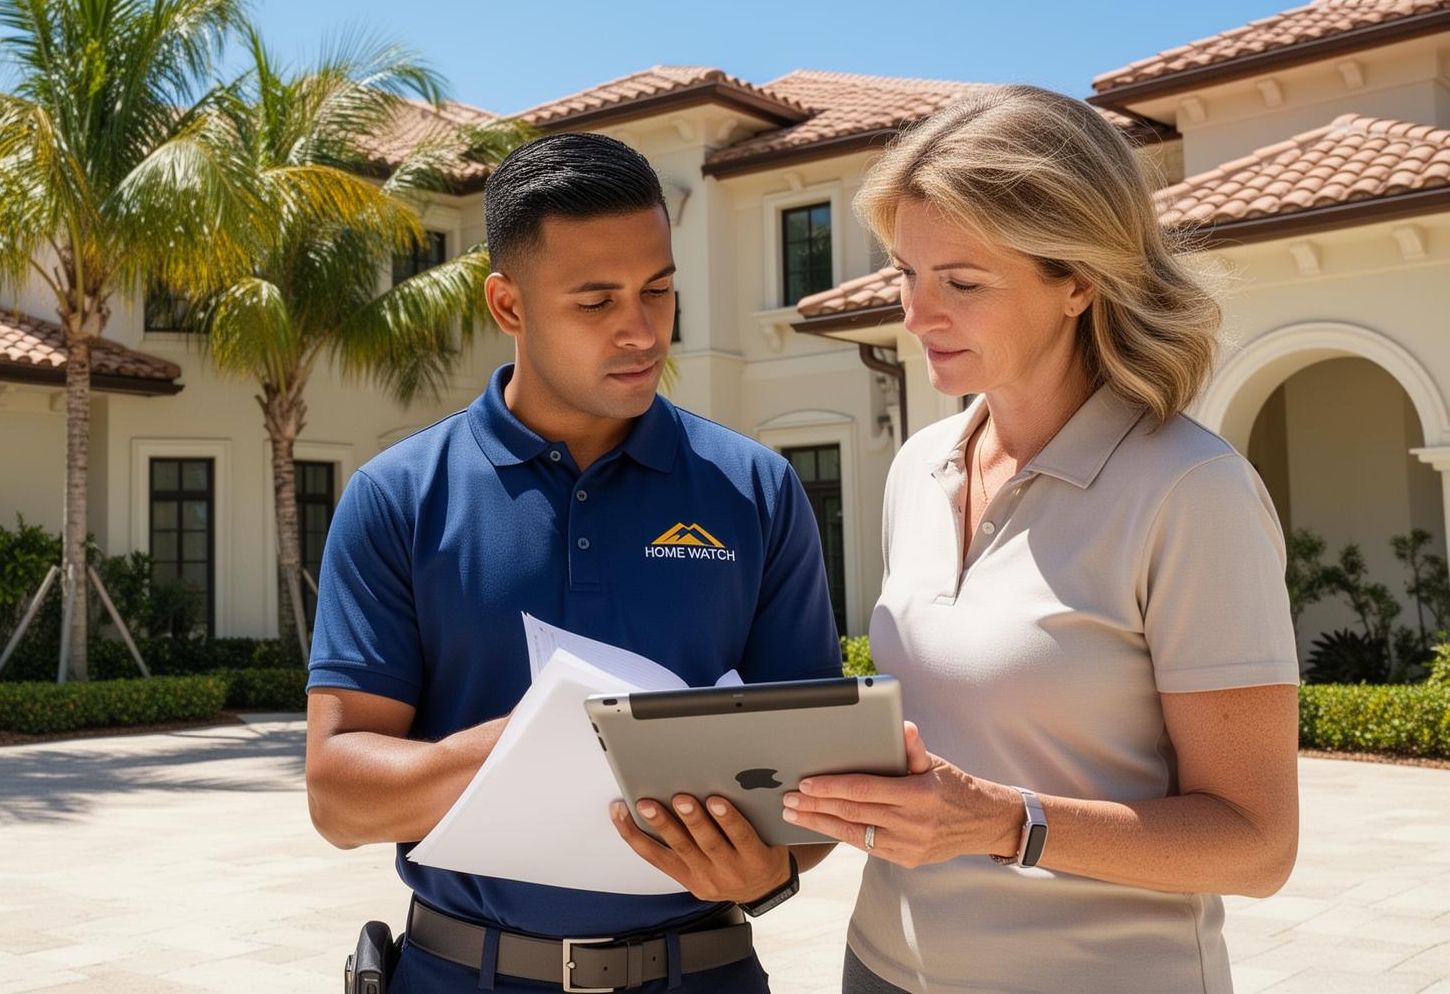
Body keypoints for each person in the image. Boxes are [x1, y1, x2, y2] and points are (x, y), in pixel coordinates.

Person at [778, 85, 1301, 994]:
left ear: (1080, 280)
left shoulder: (1191, 491)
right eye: (907, 272)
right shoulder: (917, 467)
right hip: (879, 968)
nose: (915, 313)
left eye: (962, 282)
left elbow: (1256, 845)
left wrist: (1002, 823)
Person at [305, 132, 844, 992]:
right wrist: (537, 745)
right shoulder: (398, 497)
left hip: (703, 973)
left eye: (659, 290)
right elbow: (338, 798)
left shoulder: (757, 490)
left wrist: (769, 872)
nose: (641, 330)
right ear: (508, 305)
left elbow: (817, 790)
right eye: (596, 303)